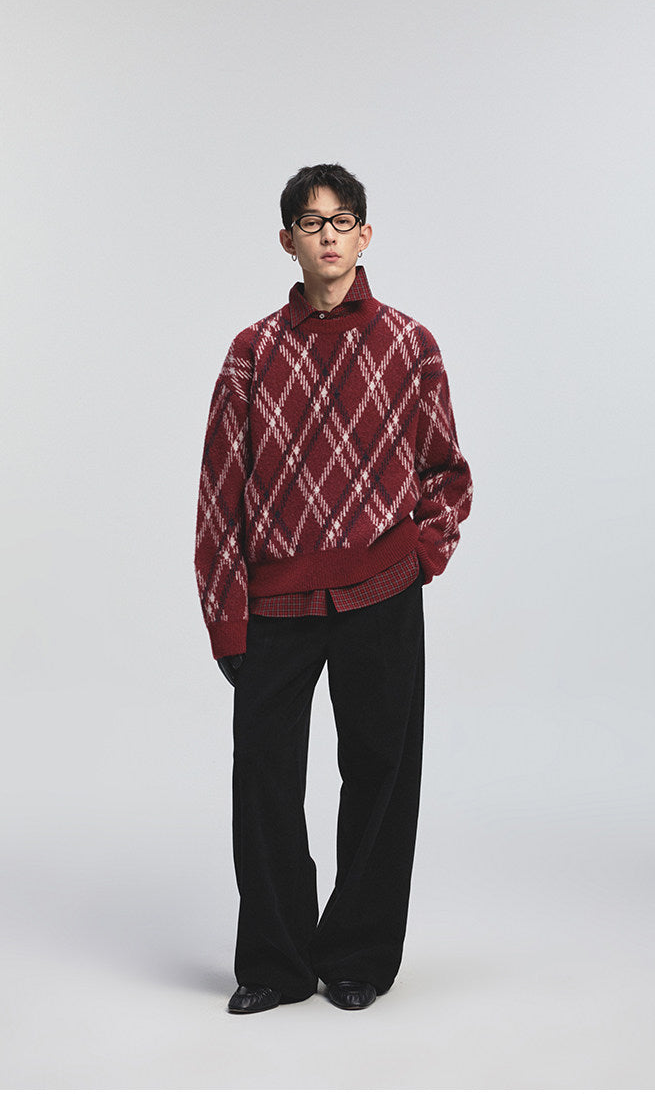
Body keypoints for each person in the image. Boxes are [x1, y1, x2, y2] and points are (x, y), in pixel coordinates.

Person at [194, 163, 472, 1014]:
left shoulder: (410, 344)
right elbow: (219, 492)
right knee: (264, 781)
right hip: (275, 601)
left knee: (381, 775)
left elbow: (446, 472)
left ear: (365, 235)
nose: (327, 234)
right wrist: (226, 617)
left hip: (380, 590)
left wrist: (419, 557)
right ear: (287, 240)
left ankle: (357, 956)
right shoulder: (251, 352)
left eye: (342, 220)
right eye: (311, 222)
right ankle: (275, 964)